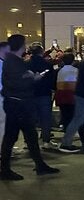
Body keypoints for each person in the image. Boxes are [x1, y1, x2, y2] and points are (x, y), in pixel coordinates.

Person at [0, 35, 59, 179]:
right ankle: (7, 169)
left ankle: (38, 165)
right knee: (13, 137)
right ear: (21, 46)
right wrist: (33, 78)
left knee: (26, 136)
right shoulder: (14, 62)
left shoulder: (11, 61)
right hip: (19, 104)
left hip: (16, 103)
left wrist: (29, 77)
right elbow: (18, 83)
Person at [27, 44, 57, 149]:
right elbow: (52, 80)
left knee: (31, 120)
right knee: (45, 118)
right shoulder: (47, 64)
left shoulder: (27, 64)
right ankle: (46, 141)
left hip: (30, 94)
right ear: (41, 52)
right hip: (44, 93)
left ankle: (30, 142)